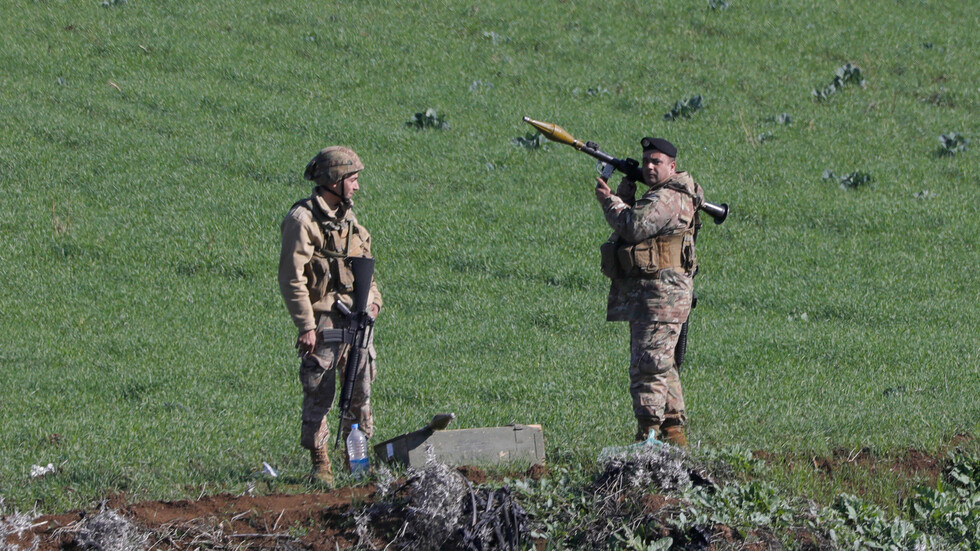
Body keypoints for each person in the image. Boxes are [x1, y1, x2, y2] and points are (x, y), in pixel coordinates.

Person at [278, 146, 382, 483]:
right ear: (333, 181)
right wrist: (306, 325)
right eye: (352, 179)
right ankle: (320, 462)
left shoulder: (350, 222)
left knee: (360, 388)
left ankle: (357, 459)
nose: (356, 186)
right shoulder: (302, 221)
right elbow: (292, 278)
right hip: (323, 321)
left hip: (356, 319)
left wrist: (374, 305)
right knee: (318, 390)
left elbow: (368, 272)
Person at [594, 137, 704, 446]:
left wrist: (609, 200)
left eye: (657, 162)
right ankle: (672, 433)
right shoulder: (669, 195)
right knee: (662, 364)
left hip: (660, 298)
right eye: (646, 162)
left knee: (648, 366)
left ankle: (648, 435)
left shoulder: (666, 198)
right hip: (659, 296)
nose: (650, 167)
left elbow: (632, 227)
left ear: (672, 166)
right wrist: (625, 199)